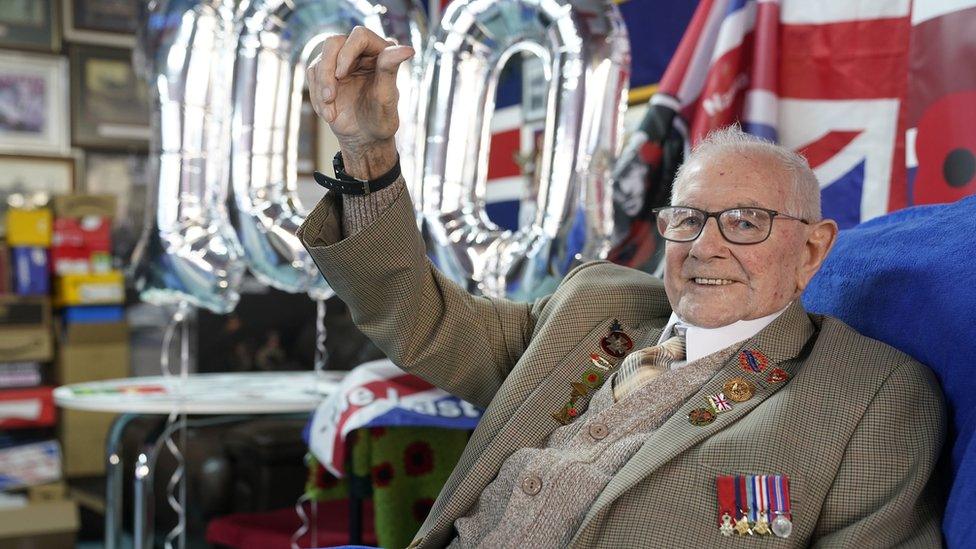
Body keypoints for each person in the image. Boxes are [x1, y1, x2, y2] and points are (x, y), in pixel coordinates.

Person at [297, 26, 946, 548]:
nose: (705, 245)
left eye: (746, 222)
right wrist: (368, 154)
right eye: (687, 218)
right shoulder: (594, 305)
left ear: (811, 248)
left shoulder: (870, 399)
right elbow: (419, 320)